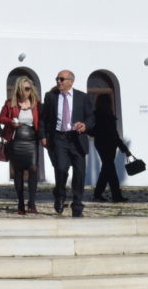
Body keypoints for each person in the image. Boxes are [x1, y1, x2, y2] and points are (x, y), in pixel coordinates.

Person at [40, 69, 94, 217]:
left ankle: (77, 205)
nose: (58, 81)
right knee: (61, 168)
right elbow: (43, 119)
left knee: (79, 172)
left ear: (71, 81)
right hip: (59, 138)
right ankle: (60, 194)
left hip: (77, 138)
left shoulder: (82, 97)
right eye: (57, 79)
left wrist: (85, 125)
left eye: (62, 79)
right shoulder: (51, 97)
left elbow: (91, 117)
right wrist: (43, 136)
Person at [0, 76, 41, 215]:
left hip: (31, 140)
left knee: (33, 168)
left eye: (28, 89)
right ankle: (21, 202)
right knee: (18, 171)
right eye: (22, 89)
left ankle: (32, 202)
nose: (25, 92)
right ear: (18, 89)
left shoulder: (36, 104)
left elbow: (42, 121)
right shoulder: (11, 103)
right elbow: (1, 118)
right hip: (16, 140)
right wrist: (11, 122)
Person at [90, 93, 131, 203]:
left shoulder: (105, 114)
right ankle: (116, 195)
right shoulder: (98, 115)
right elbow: (112, 134)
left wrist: (124, 149)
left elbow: (115, 134)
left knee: (106, 170)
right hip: (105, 145)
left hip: (108, 145)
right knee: (111, 171)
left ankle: (98, 194)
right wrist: (124, 148)